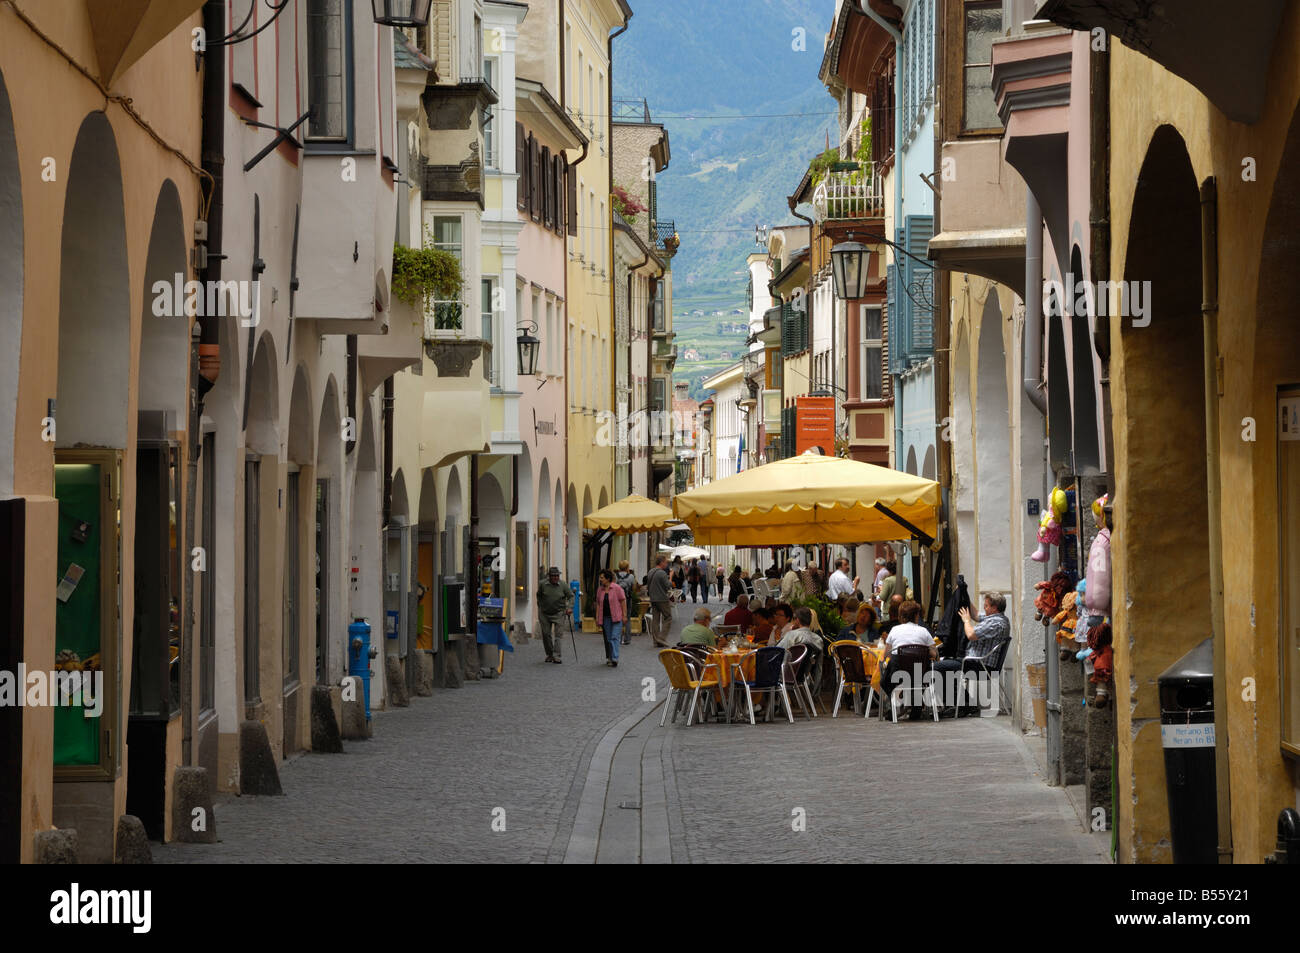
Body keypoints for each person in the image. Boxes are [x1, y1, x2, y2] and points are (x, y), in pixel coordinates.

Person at [935, 593, 1011, 712]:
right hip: (974, 662)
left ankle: (963, 704)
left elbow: (971, 634)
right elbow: (975, 615)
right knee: (946, 665)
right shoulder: (995, 617)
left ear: (994, 607)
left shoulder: (996, 623)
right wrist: (963, 593)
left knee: (938, 668)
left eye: (986, 606)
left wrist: (966, 621)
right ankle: (964, 703)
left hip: (980, 666)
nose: (984, 608)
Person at [880, 600, 936, 717]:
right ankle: (913, 704)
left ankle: (900, 704)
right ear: (916, 615)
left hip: (897, 674)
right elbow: (934, 654)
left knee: (884, 681)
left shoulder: (894, 630)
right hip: (919, 675)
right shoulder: (924, 631)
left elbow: (887, 655)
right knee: (916, 681)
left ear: (900, 616)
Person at [536, 567, 571, 664]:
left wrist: (569, 607)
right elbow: (538, 595)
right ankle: (549, 654)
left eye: (557, 575)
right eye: (553, 576)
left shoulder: (563, 585)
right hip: (544, 613)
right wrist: (540, 605)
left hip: (559, 612)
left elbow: (571, 596)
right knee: (546, 634)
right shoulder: (542, 584)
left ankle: (557, 656)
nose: (556, 577)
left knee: (558, 635)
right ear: (549, 577)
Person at [594, 569, 627, 667]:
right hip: (606, 618)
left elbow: (623, 601)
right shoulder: (600, 590)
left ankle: (615, 658)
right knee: (608, 639)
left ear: (608, 579)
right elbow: (599, 604)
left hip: (617, 617)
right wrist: (597, 617)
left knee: (614, 637)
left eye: (602, 578)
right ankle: (610, 657)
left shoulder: (617, 588)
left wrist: (624, 615)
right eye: (600, 577)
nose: (600, 579)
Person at [646, 555, 674, 648]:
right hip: (662, 598)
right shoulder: (661, 573)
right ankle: (661, 638)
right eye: (666, 562)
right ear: (661, 562)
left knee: (656, 619)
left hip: (653, 598)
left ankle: (656, 640)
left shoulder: (650, 571)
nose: (666, 564)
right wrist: (670, 577)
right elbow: (668, 586)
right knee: (668, 617)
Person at [614, 560, 638, 645]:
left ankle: (618, 638)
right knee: (627, 618)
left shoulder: (615, 576)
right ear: (627, 567)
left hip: (617, 600)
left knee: (618, 618)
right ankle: (627, 639)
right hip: (627, 599)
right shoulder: (631, 576)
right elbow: (634, 588)